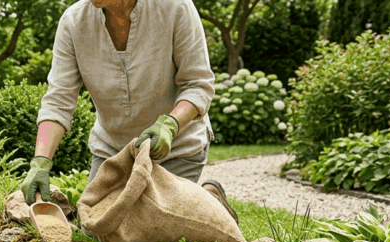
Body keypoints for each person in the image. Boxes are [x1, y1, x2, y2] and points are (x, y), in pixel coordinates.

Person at [19, 0, 238, 223]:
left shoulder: (175, 7)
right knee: (97, 225)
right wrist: (40, 162)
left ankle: (210, 199)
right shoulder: (73, 22)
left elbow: (197, 84)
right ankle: (200, 199)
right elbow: (58, 100)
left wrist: (169, 125)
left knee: (154, 225)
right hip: (114, 151)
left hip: (176, 147)